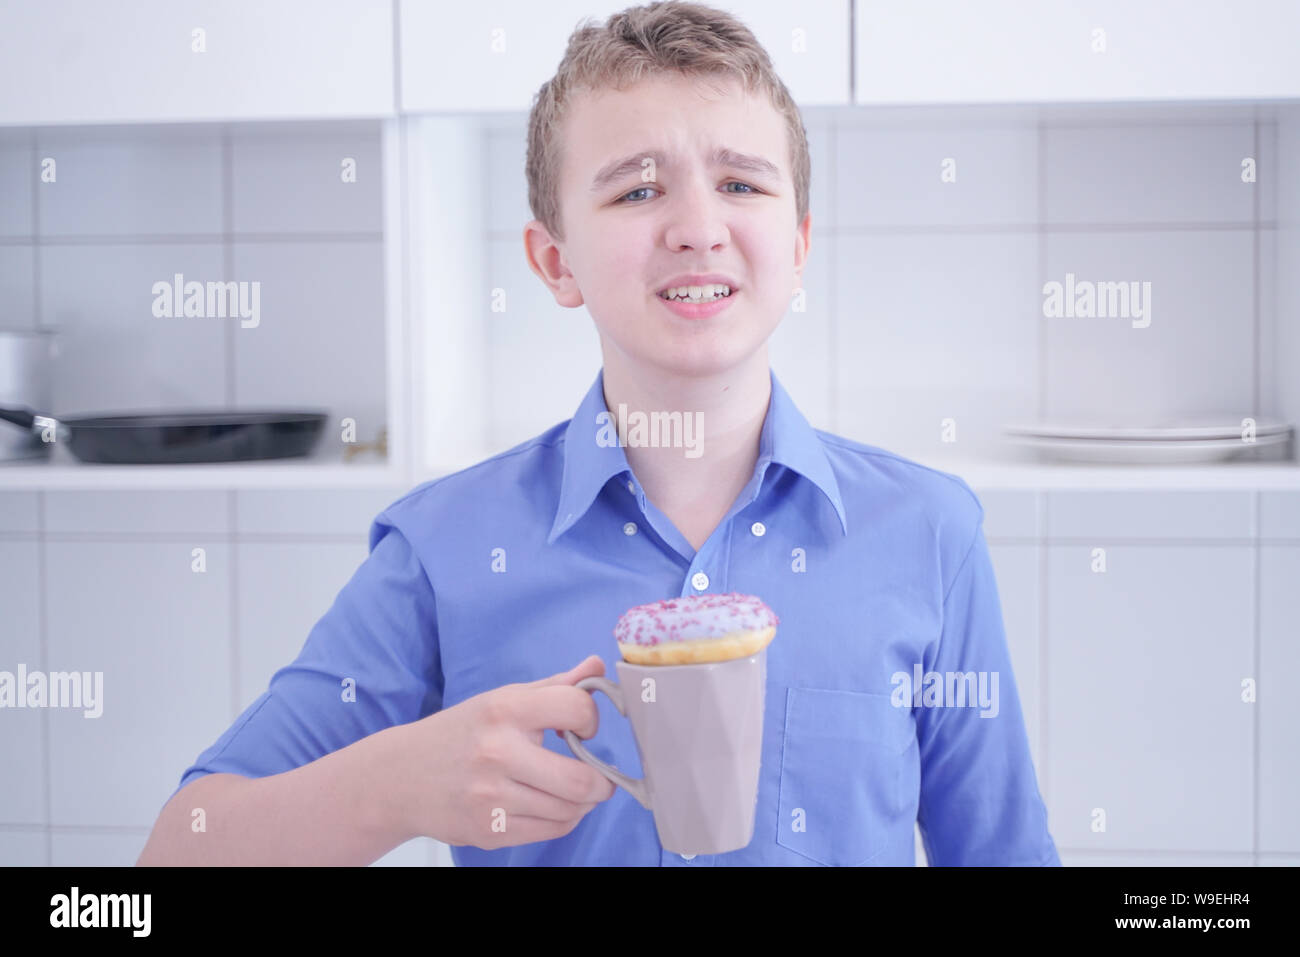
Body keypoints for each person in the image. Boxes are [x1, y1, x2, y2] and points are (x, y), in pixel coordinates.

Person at [138, 0, 1059, 867]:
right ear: (554, 260)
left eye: (740, 182)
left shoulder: (931, 533)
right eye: (637, 191)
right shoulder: (443, 548)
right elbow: (176, 852)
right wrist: (394, 787)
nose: (699, 228)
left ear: (800, 243)